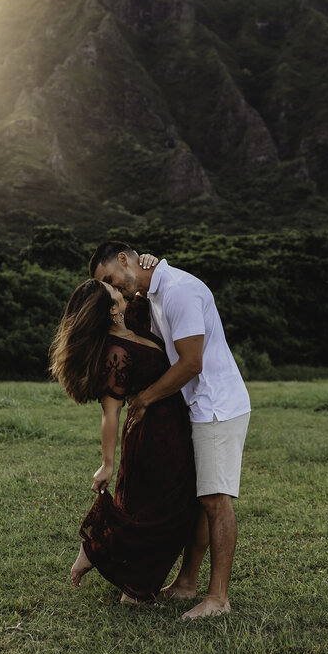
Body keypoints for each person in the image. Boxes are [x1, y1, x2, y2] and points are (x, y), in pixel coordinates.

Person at [90, 242, 250, 620]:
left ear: (126, 260)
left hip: (216, 406)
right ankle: (186, 584)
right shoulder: (154, 290)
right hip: (196, 407)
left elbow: (192, 363)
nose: (114, 288)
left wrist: (145, 398)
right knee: (200, 501)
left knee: (216, 501)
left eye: (111, 279)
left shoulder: (178, 291)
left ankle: (218, 599)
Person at [48, 279, 199, 604]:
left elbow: (145, 288)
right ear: (111, 309)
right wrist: (106, 464)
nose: (118, 286)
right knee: (159, 512)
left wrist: (146, 267)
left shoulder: (133, 322)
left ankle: (96, 554)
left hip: (172, 426)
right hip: (150, 436)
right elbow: (110, 413)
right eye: (113, 290)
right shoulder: (115, 353)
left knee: (167, 507)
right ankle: (133, 587)